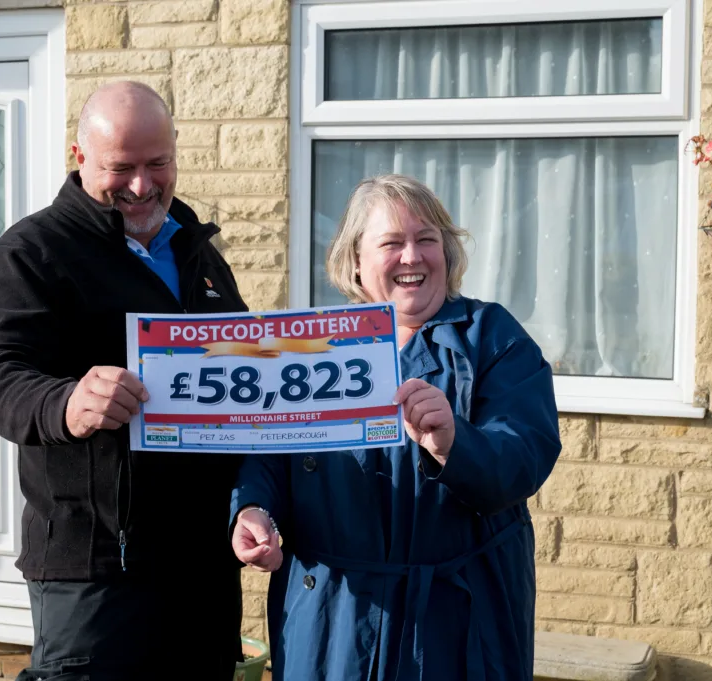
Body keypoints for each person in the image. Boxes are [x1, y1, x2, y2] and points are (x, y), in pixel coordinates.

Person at [0, 81, 248, 681]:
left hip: (200, 563)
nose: (142, 186)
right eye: (121, 167)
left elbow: (238, 372)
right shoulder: (33, 252)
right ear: (79, 156)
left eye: (157, 164)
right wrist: (64, 403)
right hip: (93, 566)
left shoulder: (196, 250)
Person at [229, 174, 562, 680]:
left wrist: (454, 443)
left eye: (426, 239)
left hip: (456, 622)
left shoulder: (493, 337)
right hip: (332, 618)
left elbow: (525, 455)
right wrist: (252, 509)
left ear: (446, 253)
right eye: (391, 243)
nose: (412, 257)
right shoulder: (310, 348)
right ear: (356, 262)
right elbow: (269, 454)